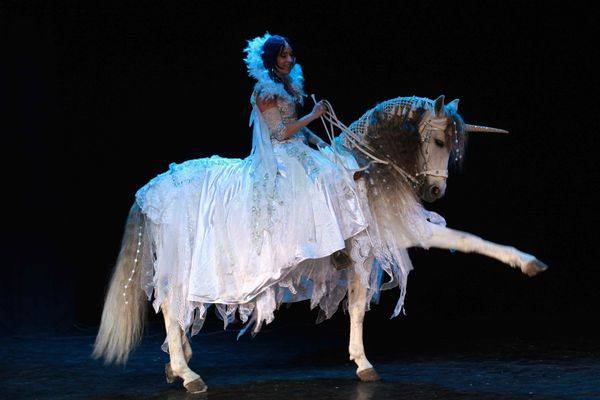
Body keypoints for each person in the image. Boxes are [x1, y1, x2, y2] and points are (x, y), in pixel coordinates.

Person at [134, 32, 368, 335]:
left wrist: (321, 141)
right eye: (283, 55)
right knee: (318, 177)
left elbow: (299, 133)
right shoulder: (265, 91)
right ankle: (330, 245)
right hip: (280, 153)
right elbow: (281, 133)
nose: (289, 60)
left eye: (291, 55)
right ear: (272, 60)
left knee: (335, 168)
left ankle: (338, 241)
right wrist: (312, 116)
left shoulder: (291, 86)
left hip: (296, 147)